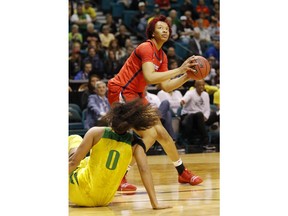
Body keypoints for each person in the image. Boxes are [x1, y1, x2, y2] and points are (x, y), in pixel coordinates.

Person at [107, 15, 203, 192]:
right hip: (121, 91)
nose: (165, 30)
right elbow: (150, 77)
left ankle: (182, 172)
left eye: (167, 28)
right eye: (160, 28)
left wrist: (186, 76)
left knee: (163, 134)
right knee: (150, 134)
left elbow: (166, 86)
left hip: (137, 94)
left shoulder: (162, 55)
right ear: (151, 32)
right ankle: (120, 176)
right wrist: (180, 68)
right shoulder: (145, 47)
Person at [69, 99, 170, 209]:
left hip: (80, 193)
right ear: (131, 125)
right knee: (87, 161)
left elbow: (73, 163)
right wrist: (155, 204)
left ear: (111, 118)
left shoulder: (95, 132)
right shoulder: (136, 143)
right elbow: (144, 170)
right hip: (104, 199)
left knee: (74, 140)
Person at [180, 79, 220, 150]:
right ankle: (206, 140)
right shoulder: (190, 93)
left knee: (216, 114)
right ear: (195, 85)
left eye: (203, 85)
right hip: (189, 116)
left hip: (201, 118)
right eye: (199, 85)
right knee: (199, 114)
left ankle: (218, 140)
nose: (201, 87)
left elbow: (207, 109)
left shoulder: (206, 94)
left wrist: (205, 118)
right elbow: (184, 99)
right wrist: (183, 101)